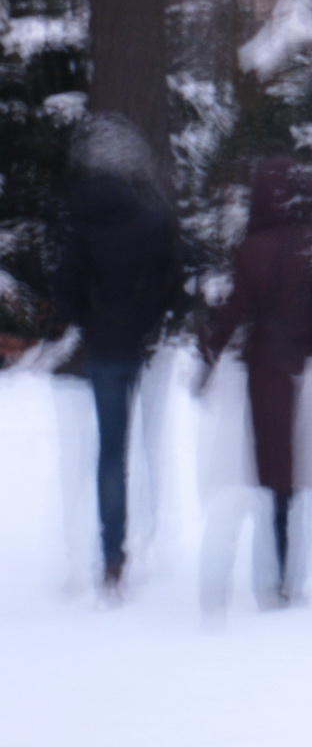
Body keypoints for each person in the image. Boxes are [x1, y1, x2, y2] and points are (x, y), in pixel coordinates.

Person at [199, 156, 312, 608]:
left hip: (265, 366)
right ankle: (291, 569)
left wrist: (209, 352)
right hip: (306, 363)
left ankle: (273, 569)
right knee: (300, 467)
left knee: (272, 465)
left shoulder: (251, 248)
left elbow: (236, 307)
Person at [53, 113, 180, 599]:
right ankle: (153, 535)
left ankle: (112, 555)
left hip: (103, 347)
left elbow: (64, 286)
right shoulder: (150, 218)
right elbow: (171, 277)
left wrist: (89, 320)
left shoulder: (82, 222)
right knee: (147, 444)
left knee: (110, 452)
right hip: (140, 342)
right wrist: (148, 318)